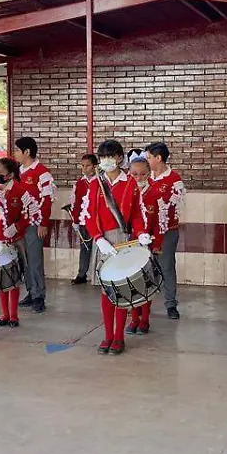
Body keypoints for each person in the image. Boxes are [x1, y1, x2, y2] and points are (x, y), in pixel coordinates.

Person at [80, 139, 152, 356]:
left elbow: (137, 214)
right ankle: (107, 336)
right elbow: (89, 215)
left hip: (124, 239)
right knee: (105, 291)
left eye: (110, 156)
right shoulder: (95, 184)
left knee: (120, 290)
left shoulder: (130, 183)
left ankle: (119, 337)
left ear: (120, 158)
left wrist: (141, 233)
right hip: (103, 242)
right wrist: (98, 238)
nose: (105, 161)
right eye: (102, 157)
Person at [0, 157, 36, 329]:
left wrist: (16, 226)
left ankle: (14, 315)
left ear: (10, 175)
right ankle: (4, 313)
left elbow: (31, 213)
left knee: (14, 279)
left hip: (15, 240)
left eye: (0, 173)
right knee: (1, 279)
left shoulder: (20, 191)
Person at [146, 142, 186, 320]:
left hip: (167, 230)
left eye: (149, 157)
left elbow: (172, 204)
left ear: (158, 158)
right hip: (145, 232)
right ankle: (143, 303)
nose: (147, 160)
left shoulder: (174, 179)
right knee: (146, 268)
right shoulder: (145, 177)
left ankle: (171, 304)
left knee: (167, 266)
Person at [14, 137, 54, 313]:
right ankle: (30, 291)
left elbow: (46, 200)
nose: (14, 153)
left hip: (34, 223)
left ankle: (39, 296)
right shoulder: (17, 171)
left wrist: (43, 223)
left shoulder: (41, 172)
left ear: (27, 152)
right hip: (19, 224)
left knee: (35, 260)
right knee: (25, 261)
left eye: (17, 150)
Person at [126, 155, 158, 334]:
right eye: (134, 174)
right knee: (130, 283)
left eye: (142, 174)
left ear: (149, 174)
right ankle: (134, 318)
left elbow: (159, 223)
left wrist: (156, 243)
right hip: (128, 245)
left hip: (147, 246)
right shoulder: (126, 192)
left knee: (146, 282)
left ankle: (145, 318)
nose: (138, 178)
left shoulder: (154, 193)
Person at [69, 154, 98, 285]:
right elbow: (75, 203)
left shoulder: (101, 181)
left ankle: (99, 274)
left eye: (88, 165)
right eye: (83, 166)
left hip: (98, 221)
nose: (84, 168)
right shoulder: (80, 183)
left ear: (95, 166)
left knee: (99, 248)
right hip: (83, 221)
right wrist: (75, 220)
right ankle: (82, 274)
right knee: (85, 247)